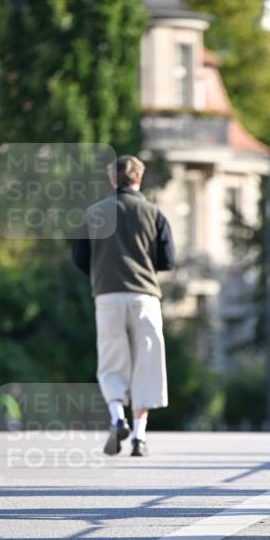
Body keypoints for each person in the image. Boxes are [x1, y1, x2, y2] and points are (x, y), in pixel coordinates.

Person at [72, 154, 176, 456]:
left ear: (112, 180)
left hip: (107, 296)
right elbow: (167, 261)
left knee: (111, 363)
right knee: (147, 364)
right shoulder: (153, 213)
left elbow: (79, 258)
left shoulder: (94, 213)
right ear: (139, 179)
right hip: (145, 296)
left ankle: (118, 418)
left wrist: (103, 270)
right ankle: (140, 437)